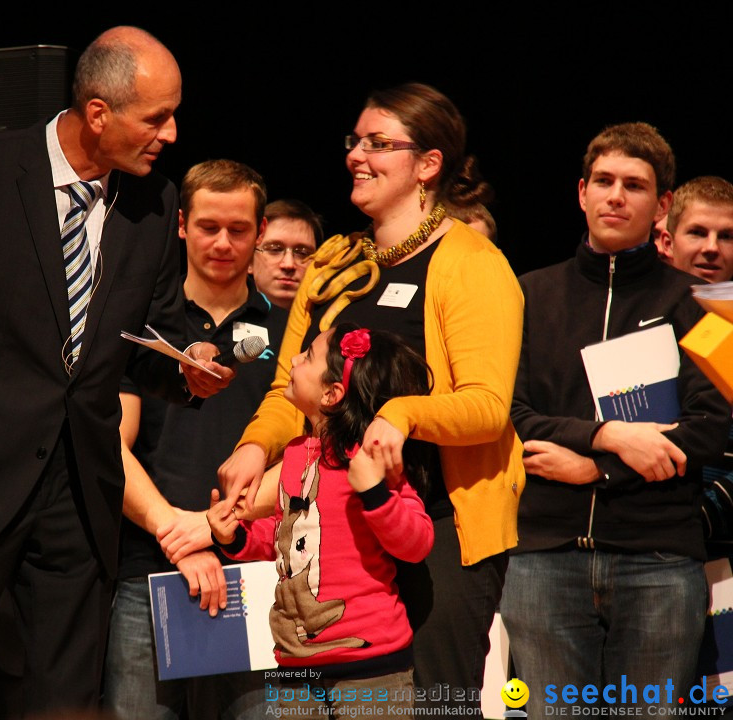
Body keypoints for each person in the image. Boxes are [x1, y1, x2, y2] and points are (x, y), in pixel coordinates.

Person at [0, 27, 230, 719]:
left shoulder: (155, 205)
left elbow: (149, 341)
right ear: (98, 113)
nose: (171, 133)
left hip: (80, 496)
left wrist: (188, 370)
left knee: (64, 702)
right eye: (155, 117)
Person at [217, 82, 524, 711]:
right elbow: (287, 386)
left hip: (440, 528)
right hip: (337, 535)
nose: (358, 154)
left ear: (428, 164)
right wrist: (255, 447)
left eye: (379, 143)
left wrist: (401, 411)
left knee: (435, 705)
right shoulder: (334, 262)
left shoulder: (473, 263)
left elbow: (488, 408)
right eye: (355, 140)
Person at [503, 122, 731, 714]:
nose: (614, 196)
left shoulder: (701, 303)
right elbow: (511, 412)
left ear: (660, 207)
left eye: (633, 185)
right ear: (581, 192)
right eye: (603, 181)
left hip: (657, 558)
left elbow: (709, 428)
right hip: (543, 557)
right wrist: (608, 435)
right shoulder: (529, 293)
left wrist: (596, 472)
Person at [103, 159, 284, 719]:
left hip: (261, 570)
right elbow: (111, 442)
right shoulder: (142, 326)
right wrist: (179, 534)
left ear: (259, 233)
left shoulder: (286, 329)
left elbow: (306, 452)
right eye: (209, 227)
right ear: (181, 224)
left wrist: (217, 529)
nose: (224, 243)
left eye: (240, 229)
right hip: (148, 568)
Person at [208, 325, 434, 715]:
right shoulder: (296, 453)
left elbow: (416, 543)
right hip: (295, 666)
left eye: (307, 356)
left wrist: (375, 492)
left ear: (332, 395)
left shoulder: (369, 455)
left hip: (370, 669)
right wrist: (236, 538)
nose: (293, 360)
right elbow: (290, 535)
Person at [657, 175, 733, 283]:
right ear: (668, 244)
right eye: (697, 233)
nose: (712, 248)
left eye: (726, 236)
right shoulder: (639, 299)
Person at [249, 199, 322, 309]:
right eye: (274, 250)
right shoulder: (226, 322)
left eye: (302, 253)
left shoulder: (333, 323)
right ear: (248, 261)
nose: (288, 264)